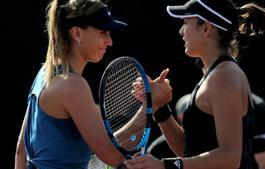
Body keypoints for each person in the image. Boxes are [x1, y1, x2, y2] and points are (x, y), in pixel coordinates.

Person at [14, 0, 172, 168]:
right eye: (103, 32)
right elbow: (112, 155)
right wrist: (151, 105)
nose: (110, 41)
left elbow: (21, 152)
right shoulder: (72, 85)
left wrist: (148, 107)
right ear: (77, 34)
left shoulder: (45, 73)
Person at [124, 0, 265, 169]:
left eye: (185, 22)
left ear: (206, 28)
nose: (181, 31)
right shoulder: (216, 75)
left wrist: (164, 166)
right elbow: (190, 152)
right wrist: (160, 108)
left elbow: (230, 157)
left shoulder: (224, 77)